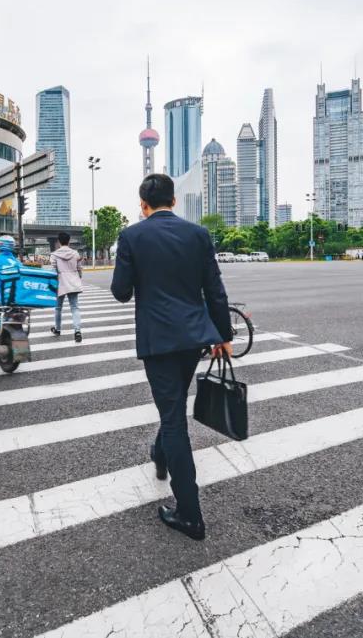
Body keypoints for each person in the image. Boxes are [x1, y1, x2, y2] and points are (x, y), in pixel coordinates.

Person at [111, 173, 232, 541]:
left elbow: (120, 292)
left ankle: (190, 514)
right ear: (174, 201)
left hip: (159, 340)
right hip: (194, 336)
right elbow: (215, 290)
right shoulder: (198, 235)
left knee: (173, 417)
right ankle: (159, 454)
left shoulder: (132, 236)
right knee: (173, 405)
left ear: (143, 205)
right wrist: (223, 335)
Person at [49, 231, 84, 342]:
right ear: (69, 241)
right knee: (75, 308)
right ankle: (77, 331)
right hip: (73, 282)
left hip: (60, 283)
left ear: (59, 242)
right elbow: (79, 269)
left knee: (58, 308)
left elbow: (53, 271)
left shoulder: (54, 255)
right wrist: (78, 277)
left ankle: (58, 329)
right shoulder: (75, 253)